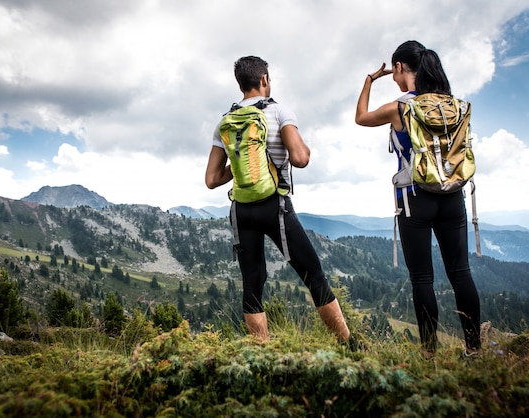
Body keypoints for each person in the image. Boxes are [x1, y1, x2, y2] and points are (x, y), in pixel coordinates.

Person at [205, 56, 351, 345]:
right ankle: (349, 344)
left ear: (240, 84)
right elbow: (300, 158)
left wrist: (240, 167)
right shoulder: (279, 111)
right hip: (276, 206)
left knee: (252, 284)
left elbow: (211, 179)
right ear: (263, 80)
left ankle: (262, 350)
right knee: (314, 275)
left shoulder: (226, 121)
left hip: (242, 210)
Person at [354, 41, 481, 356]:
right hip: (453, 195)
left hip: (414, 199)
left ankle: (429, 352)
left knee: (422, 277)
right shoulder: (452, 105)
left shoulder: (400, 107)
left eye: (395, 72)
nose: (395, 78)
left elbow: (361, 117)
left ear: (398, 68)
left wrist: (370, 80)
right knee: (460, 272)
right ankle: (475, 349)